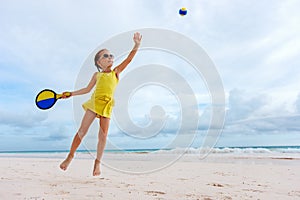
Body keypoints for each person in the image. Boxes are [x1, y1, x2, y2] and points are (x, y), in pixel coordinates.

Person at [59, 32, 142, 176]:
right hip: (94, 103)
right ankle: (70, 156)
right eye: (105, 56)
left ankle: (97, 162)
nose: (110, 57)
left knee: (103, 136)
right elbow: (87, 89)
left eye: (111, 55)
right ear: (99, 62)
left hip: (107, 105)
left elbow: (128, 60)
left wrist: (136, 45)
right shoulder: (97, 75)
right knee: (82, 131)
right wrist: (71, 94)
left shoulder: (115, 72)